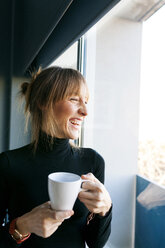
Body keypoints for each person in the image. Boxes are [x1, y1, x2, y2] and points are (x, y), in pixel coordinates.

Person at [0, 66, 112, 248]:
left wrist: (105, 210)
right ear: (43, 102)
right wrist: (22, 226)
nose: (85, 112)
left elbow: (95, 243)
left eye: (86, 102)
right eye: (75, 99)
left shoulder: (93, 161)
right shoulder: (8, 164)